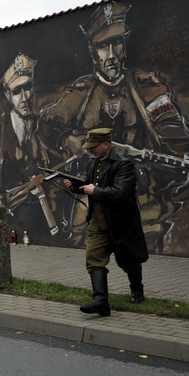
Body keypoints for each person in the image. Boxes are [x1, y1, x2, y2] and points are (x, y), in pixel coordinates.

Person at [40, 1, 189, 250]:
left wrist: (138, 179)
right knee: (91, 253)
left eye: (117, 43)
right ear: (92, 51)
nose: (111, 55)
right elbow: (46, 123)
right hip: (90, 202)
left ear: (125, 44)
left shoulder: (148, 89)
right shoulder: (80, 93)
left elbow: (179, 153)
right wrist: (67, 140)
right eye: (102, 46)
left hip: (143, 203)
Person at [0, 53, 64, 242]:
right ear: (7, 95)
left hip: (46, 224)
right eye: (16, 91)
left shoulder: (46, 127)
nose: (24, 97)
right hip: (11, 223)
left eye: (28, 87)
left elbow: (61, 161)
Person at [64, 128, 149, 317]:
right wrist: (77, 187)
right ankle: (100, 302)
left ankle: (137, 289)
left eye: (93, 147)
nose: (90, 151)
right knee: (93, 258)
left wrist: (95, 190)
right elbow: (91, 184)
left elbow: (120, 193)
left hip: (121, 222)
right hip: (97, 221)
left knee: (129, 261)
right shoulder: (93, 162)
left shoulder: (124, 165)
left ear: (106, 145)